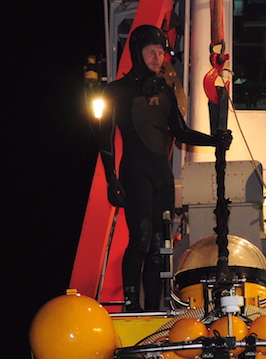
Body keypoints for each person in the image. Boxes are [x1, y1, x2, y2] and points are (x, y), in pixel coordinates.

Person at [98, 24, 232, 312]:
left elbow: (180, 132)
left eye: (160, 52)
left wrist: (214, 140)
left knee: (160, 245)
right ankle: (131, 305)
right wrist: (111, 178)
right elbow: (105, 137)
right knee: (141, 240)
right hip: (134, 172)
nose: (156, 58)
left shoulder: (166, 91)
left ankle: (153, 308)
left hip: (161, 176)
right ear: (137, 52)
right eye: (150, 52)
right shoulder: (117, 91)